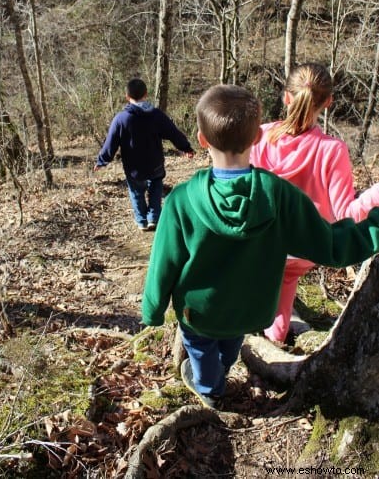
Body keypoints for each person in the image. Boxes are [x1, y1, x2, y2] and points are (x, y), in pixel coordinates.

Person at [141, 84, 379, 409]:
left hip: (198, 312)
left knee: (202, 350)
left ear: (202, 139)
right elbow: (332, 246)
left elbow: (163, 264)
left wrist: (152, 310)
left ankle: (210, 389)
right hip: (251, 311)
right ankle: (223, 367)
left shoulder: (181, 200)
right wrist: (374, 226)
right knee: (230, 341)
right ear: (256, 138)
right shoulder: (280, 196)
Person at [250, 62, 379, 344]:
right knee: (284, 283)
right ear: (329, 102)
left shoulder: (257, 137)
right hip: (301, 251)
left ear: (286, 96)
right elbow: (347, 214)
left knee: (266, 280)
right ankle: (273, 343)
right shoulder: (332, 151)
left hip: (256, 244)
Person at [94, 78, 194, 231]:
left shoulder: (121, 119)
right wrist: (186, 148)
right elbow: (173, 133)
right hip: (155, 163)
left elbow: (111, 143)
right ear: (146, 94)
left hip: (134, 167)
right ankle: (154, 218)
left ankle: (141, 221)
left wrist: (102, 161)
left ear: (127, 96)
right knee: (155, 188)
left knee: (136, 192)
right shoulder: (156, 115)